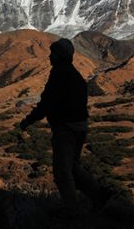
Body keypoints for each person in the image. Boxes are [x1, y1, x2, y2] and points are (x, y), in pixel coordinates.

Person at [19, 38, 113, 215]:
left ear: (60, 56)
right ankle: (99, 194)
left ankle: (72, 209)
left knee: (62, 170)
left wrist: (28, 120)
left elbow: (46, 103)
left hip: (66, 127)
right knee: (72, 166)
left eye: (52, 53)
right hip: (80, 126)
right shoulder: (74, 75)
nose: (49, 56)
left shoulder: (59, 74)